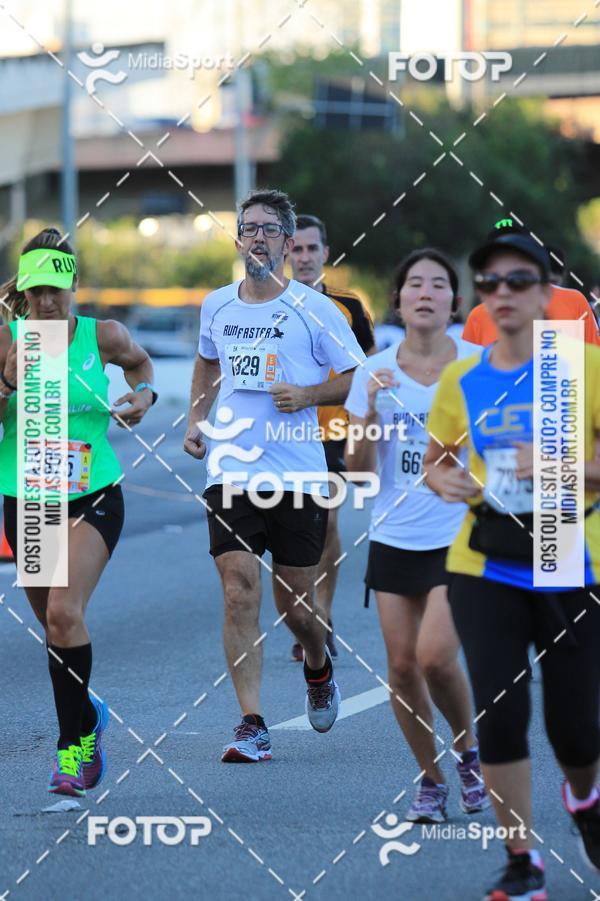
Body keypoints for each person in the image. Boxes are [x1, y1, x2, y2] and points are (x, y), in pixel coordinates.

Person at [425, 223, 600, 900]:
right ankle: (521, 860)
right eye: (490, 282)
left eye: (517, 280)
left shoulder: (580, 368)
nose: (502, 292)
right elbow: (439, 460)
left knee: (576, 725)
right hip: (483, 559)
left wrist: (562, 464)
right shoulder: (461, 377)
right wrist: (447, 481)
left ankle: (584, 800)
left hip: (564, 552)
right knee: (502, 713)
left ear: (544, 292)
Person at [183, 189, 365, 762]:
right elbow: (208, 359)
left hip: (298, 471)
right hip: (230, 467)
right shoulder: (217, 305)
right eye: (247, 227)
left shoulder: (316, 310)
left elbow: (361, 378)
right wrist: (196, 416)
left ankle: (318, 663)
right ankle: (251, 722)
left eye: (267, 228)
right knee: (238, 590)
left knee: (296, 607)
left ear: (288, 243)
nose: (255, 236)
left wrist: (310, 393)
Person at [0, 227, 156, 796]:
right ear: (25, 288)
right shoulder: (7, 339)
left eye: (55, 291)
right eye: (36, 290)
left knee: (65, 613)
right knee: (54, 630)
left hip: (93, 495)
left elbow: (141, 367)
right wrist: (6, 380)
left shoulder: (102, 335)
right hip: (29, 502)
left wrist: (144, 397)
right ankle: (88, 717)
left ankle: (74, 751)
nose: (45, 302)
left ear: (72, 287)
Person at [344, 248, 489, 823]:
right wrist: (373, 409)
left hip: (460, 533)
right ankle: (431, 782)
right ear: (399, 300)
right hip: (394, 533)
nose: (425, 293)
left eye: (437, 285)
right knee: (401, 667)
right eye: (414, 284)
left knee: (434, 657)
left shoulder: (481, 365)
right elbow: (357, 472)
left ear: (455, 301)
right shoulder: (371, 372)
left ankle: (469, 751)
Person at [288, 213, 375, 662]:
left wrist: (366, 431)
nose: (304, 257)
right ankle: (299, 609)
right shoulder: (267, 305)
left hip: (331, 432)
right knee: (290, 527)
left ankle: (320, 611)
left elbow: (369, 372)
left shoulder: (349, 307)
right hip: (280, 434)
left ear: (325, 252)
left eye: (311, 248)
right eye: (296, 248)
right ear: (286, 251)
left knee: (328, 523)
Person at [462, 219, 600, 347]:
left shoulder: (574, 302)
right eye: (498, 257)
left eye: (517, 253)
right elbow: (469, 368)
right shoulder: (477, 316)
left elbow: (594, 362)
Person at [375, 266, 465, 353]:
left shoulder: (460, 334)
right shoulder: (383, 336)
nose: (425, 295)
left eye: (438, 286)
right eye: (416, 285)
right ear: (396, 297)